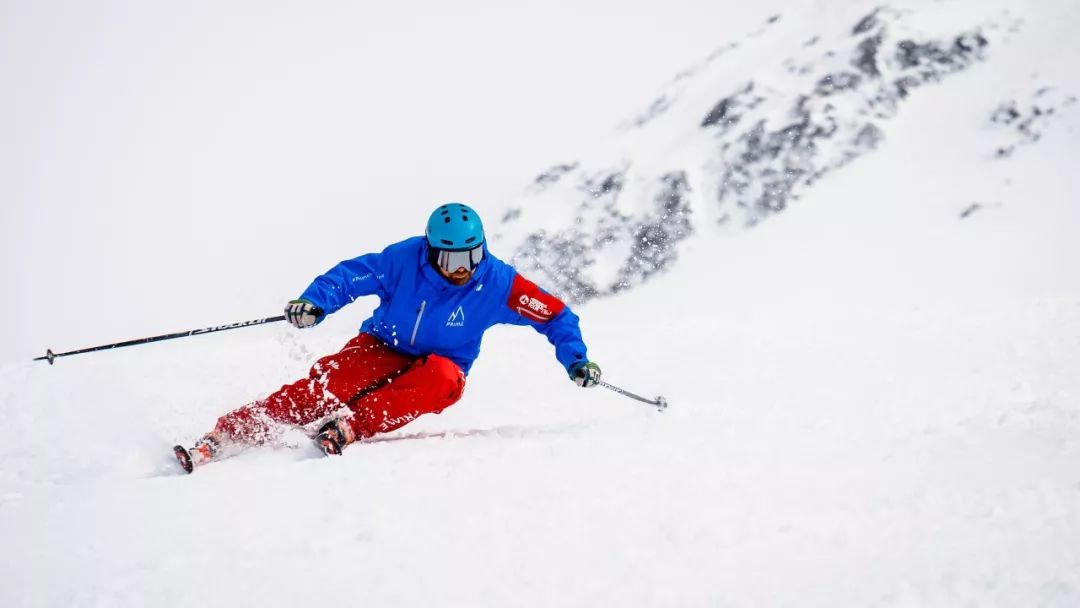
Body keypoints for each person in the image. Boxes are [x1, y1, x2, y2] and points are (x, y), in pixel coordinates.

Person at [173, 203, 601, 473]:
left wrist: (575, 358)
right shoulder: (405, 259)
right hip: (381, 345)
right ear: (432, 250)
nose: (462, 268)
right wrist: (315, 302)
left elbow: (556, 315)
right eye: (452, 258)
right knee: (325, 388)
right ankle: (227, 435)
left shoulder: (497, 283)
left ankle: (349, 426)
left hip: (441, 366)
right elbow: (352, 275)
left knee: (440, 380)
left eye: (472, 256)